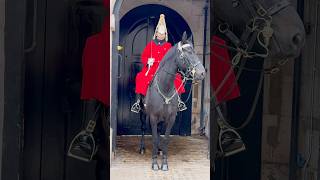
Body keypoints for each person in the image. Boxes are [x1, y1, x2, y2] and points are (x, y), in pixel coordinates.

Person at [131, 14, 186, 113]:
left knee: (178, 78)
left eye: (163, 34)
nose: (161, 36)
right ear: (156, 34)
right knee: (140, 77)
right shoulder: (150, 45)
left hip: (164, 69)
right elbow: (144, 57)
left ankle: (179, 101)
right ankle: (138, 102)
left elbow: (172, 58)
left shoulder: (169, 45)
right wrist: (148, 61)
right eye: (159, 34)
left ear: (165, 35)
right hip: (152, 69)